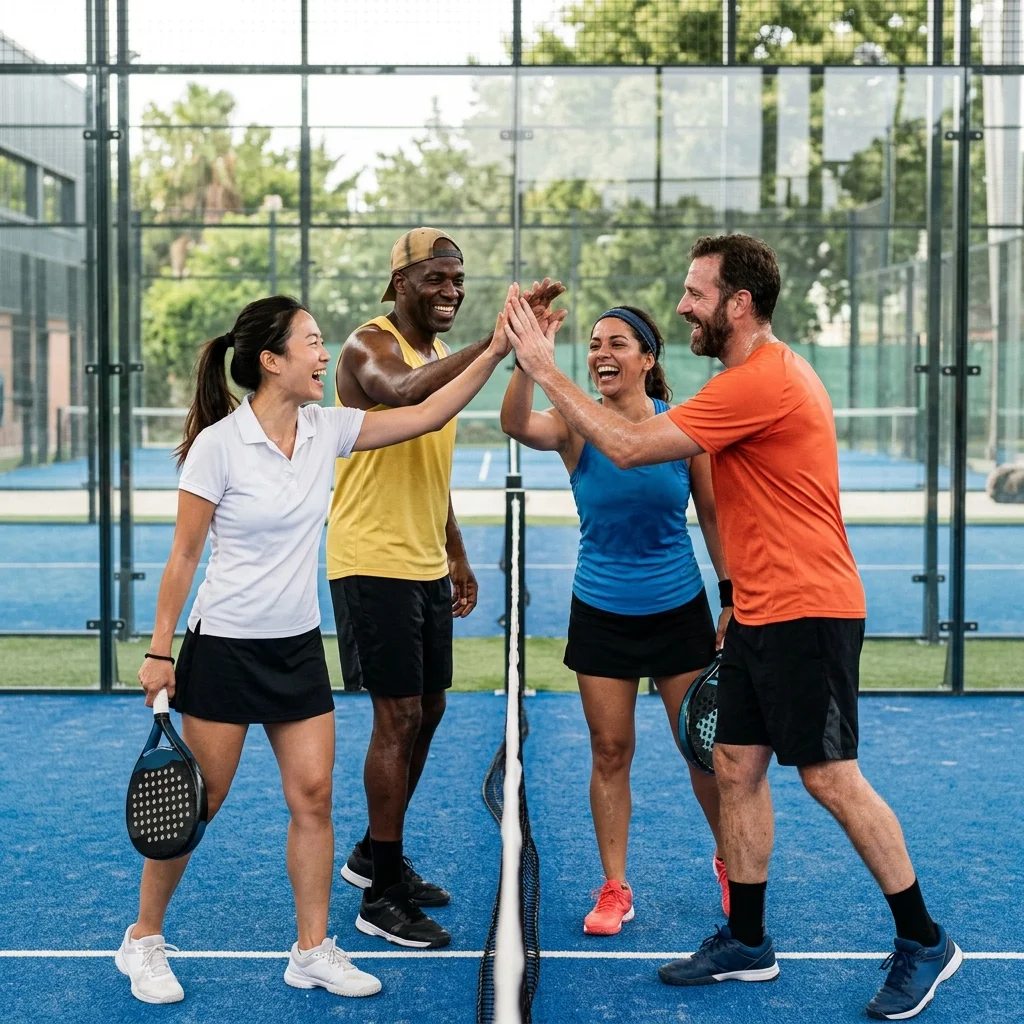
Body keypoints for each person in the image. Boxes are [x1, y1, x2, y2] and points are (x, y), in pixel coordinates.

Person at [501, 235, 961, 1021]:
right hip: (759, 610)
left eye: (695, 293)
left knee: (829, 777)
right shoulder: (743, 380)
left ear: (737, 304)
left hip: (807, 609)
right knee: (737, 766)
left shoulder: (763, 379)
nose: (684, 305)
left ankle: (924, 939)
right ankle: (746, 940)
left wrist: (542, 363)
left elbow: (631, 442)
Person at [117, 294, 512, 1005]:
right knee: (198, 804)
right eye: (311, 341)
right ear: (271, 361)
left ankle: (311, 950)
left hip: (296, 647)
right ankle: (143, 939)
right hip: (225, 647)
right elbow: (183, 557)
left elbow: (425, 414)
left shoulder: (324, 427)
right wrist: (158, 652)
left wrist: (495, 349)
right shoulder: (218, 446)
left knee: (315, 799)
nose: (324, 353)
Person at [326, 228, 564, 948]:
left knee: (427, 712)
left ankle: (375, 855)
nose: (451, 291)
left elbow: (430, 472)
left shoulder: (435, 359)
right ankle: (381, 897)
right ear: (399, 283)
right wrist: (496, 349)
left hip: (422, 563)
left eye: (458, 280)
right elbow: (400, 393)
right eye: (437, 279)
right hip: (370, 563)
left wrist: (456, 555)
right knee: (395, 719)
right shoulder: (367, 348)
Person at [500, 301, 732, 936]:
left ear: (648, 359)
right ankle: (614, 887)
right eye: (595, 343)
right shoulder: (577, 426)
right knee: (610, 751)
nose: (602, 353)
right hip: (600, 612)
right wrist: (531, 356)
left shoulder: (682, 428)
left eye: (618, 344)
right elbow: (515, 422)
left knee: (702, 751)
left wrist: (732, 593)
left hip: (679, 609)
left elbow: (711, 517)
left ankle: (732, 865)